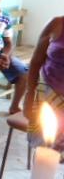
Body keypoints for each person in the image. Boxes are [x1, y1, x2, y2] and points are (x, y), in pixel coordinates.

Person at [24, 16, 64, 150]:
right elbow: (36, 61)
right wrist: (29, 95)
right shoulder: (57, 23)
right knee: (44, 150)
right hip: (47, 96)